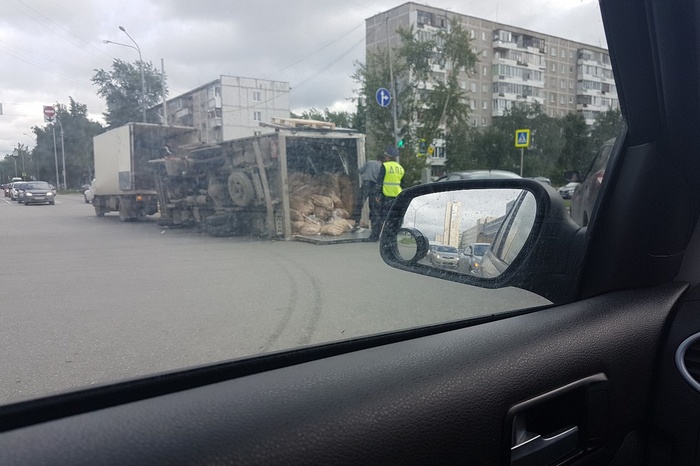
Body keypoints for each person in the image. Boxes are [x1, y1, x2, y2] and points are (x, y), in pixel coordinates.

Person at [370, 146, 404, 241]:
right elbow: (402, 184)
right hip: (397, 197)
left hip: (386, 196)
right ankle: (392, 236)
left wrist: (377, 194)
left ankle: (374, 237)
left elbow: (379, 181)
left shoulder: (385, 166)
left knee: (381, 218)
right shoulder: (400, 168)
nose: (385, 157)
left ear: (388, 156)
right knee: (394, 218)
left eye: (385, 155)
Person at [352, 157, 382, 233]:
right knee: (373, 206)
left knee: (359, 204)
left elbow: (360, 171)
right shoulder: (381, 166)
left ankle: (356, 223)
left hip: (366, 185)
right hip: (374, 187)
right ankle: (373, 225)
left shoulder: (369, 162)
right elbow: (380, 178)